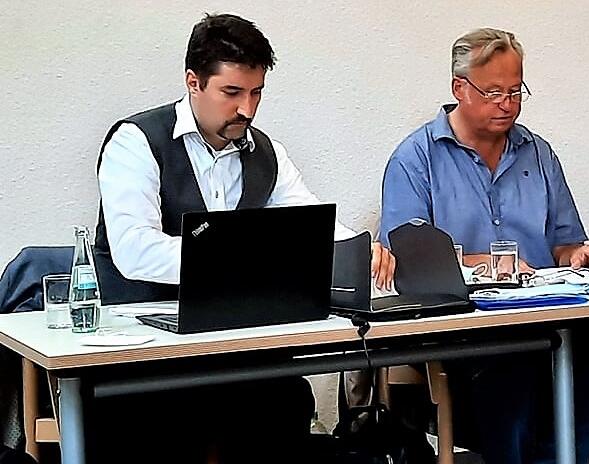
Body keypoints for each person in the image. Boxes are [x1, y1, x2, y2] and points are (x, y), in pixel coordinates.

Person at [92, 13, 394, 462]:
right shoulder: (136, 141)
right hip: (145, 351)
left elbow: (307, 218)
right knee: (178, 417)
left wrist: (357, 251)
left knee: (285, 399)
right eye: (232, 92)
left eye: (256, 93)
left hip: (232, 342)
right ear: (193, 82)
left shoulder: (266, 151)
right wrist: (242, 259)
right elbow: (135, 251)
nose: (247, 109)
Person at [380, 28, 589, 464]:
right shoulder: (416, 157)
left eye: (516, 92)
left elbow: (564, 243)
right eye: (494, 92)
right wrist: (486, 264)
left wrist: (578, 255)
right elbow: (406, 260)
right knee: (513, 366)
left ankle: (551, 458)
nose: (507, 104)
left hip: (544, 312)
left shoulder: (537, 152)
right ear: (459, 88)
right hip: (464, 322)